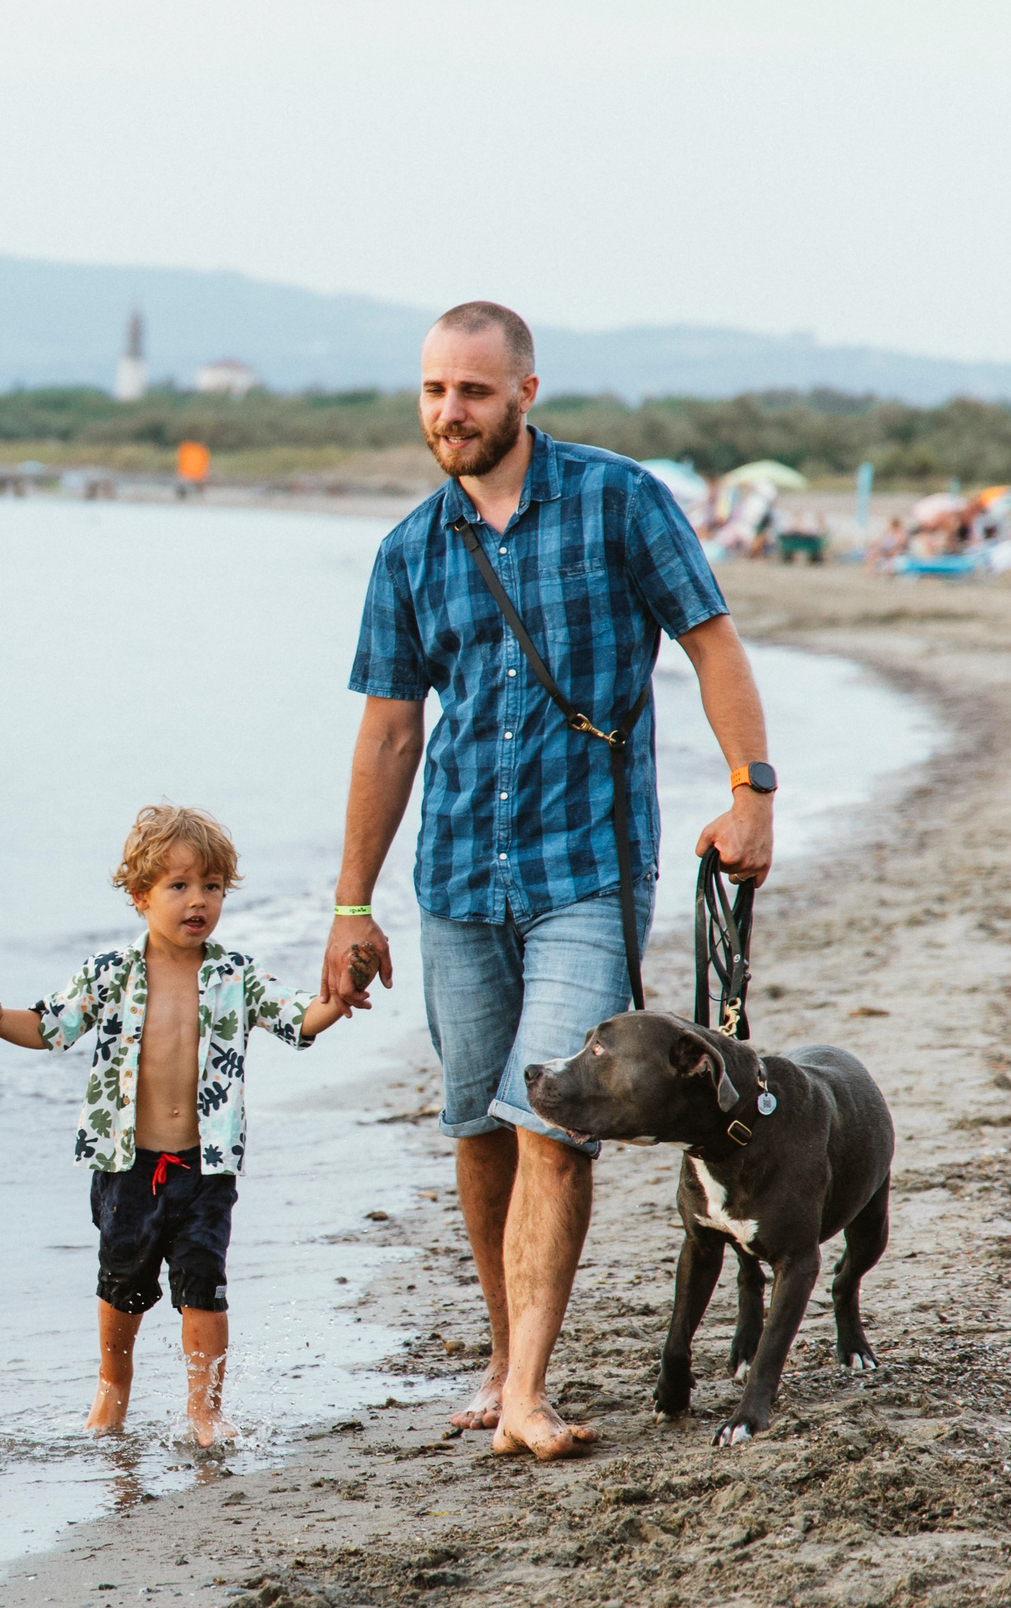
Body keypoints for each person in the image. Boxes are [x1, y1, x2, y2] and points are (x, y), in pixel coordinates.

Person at [322, 302, 775, 1462]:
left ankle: (523, 1391)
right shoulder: (411, 549)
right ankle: (504, 1355)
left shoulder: (618, 501)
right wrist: (349, 905)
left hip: (587, 865)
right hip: (458, 873)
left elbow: (710, 640)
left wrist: (750, 790)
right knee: (478, 1123)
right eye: (431, 391)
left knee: (552, 1125)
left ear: (525, 391)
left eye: (471, 390)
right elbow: (387, 735)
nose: (448, 412)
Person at [0, 806, 349, 1446]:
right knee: (123, 1279)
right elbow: (48, 1026)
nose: (198, 901)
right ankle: (113, 1386)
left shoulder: (236, 975)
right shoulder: (110, 973)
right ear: (140, 896)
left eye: (211, 887)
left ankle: (205, 1409)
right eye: (178, 886)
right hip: (126, 1165)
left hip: (205, 1167)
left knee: (204, 1283)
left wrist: (343, 991)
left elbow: (300, 1020)